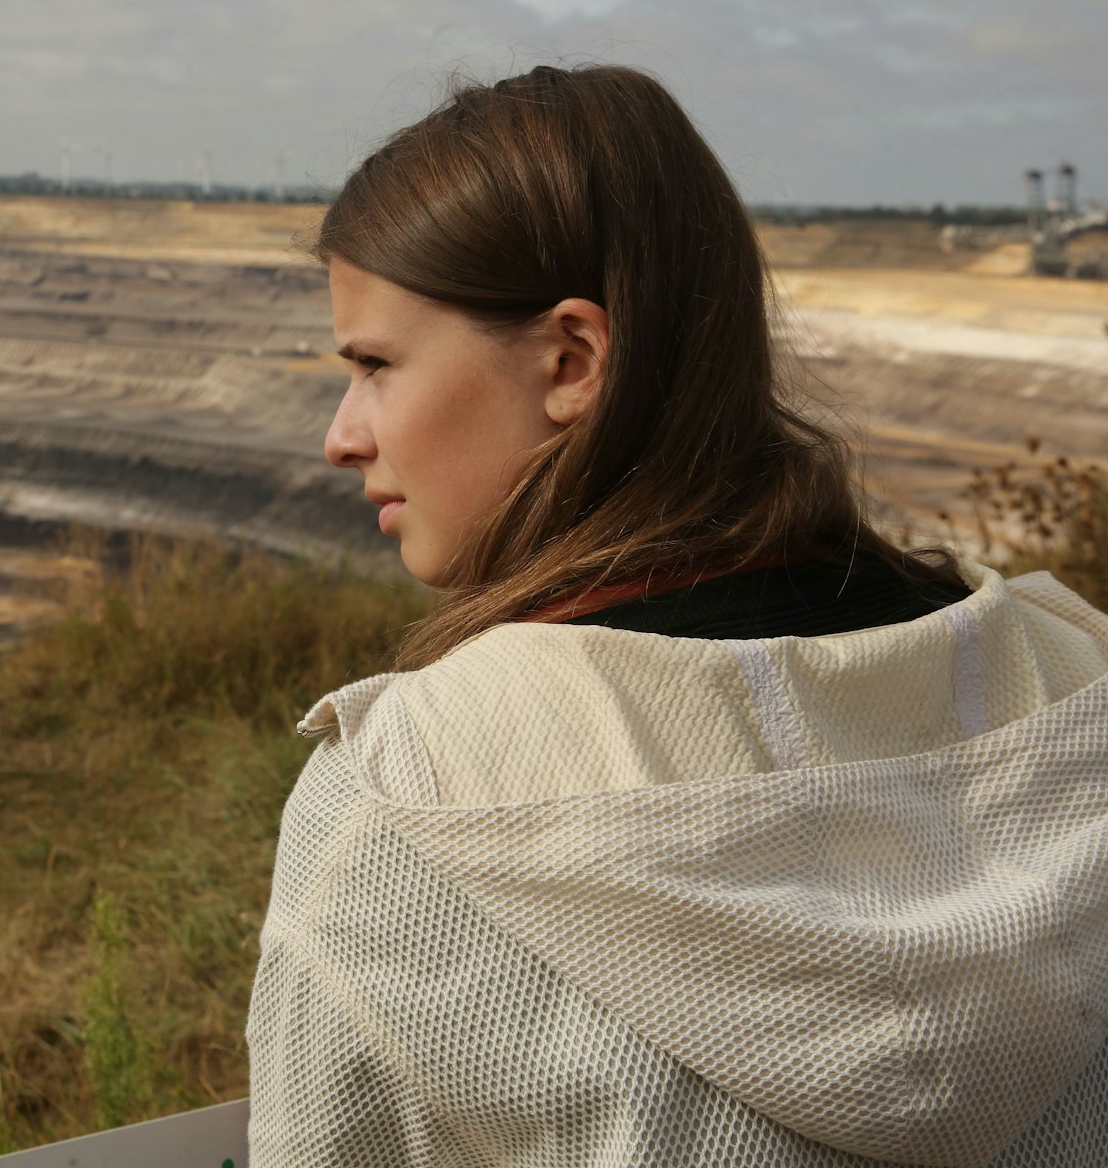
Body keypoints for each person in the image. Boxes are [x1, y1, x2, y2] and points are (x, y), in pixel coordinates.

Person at [245, 65, 1108, 1166]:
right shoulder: (1071, 681)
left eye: (374, 364)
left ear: (570, 361)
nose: (341, 435)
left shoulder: (406, 799)